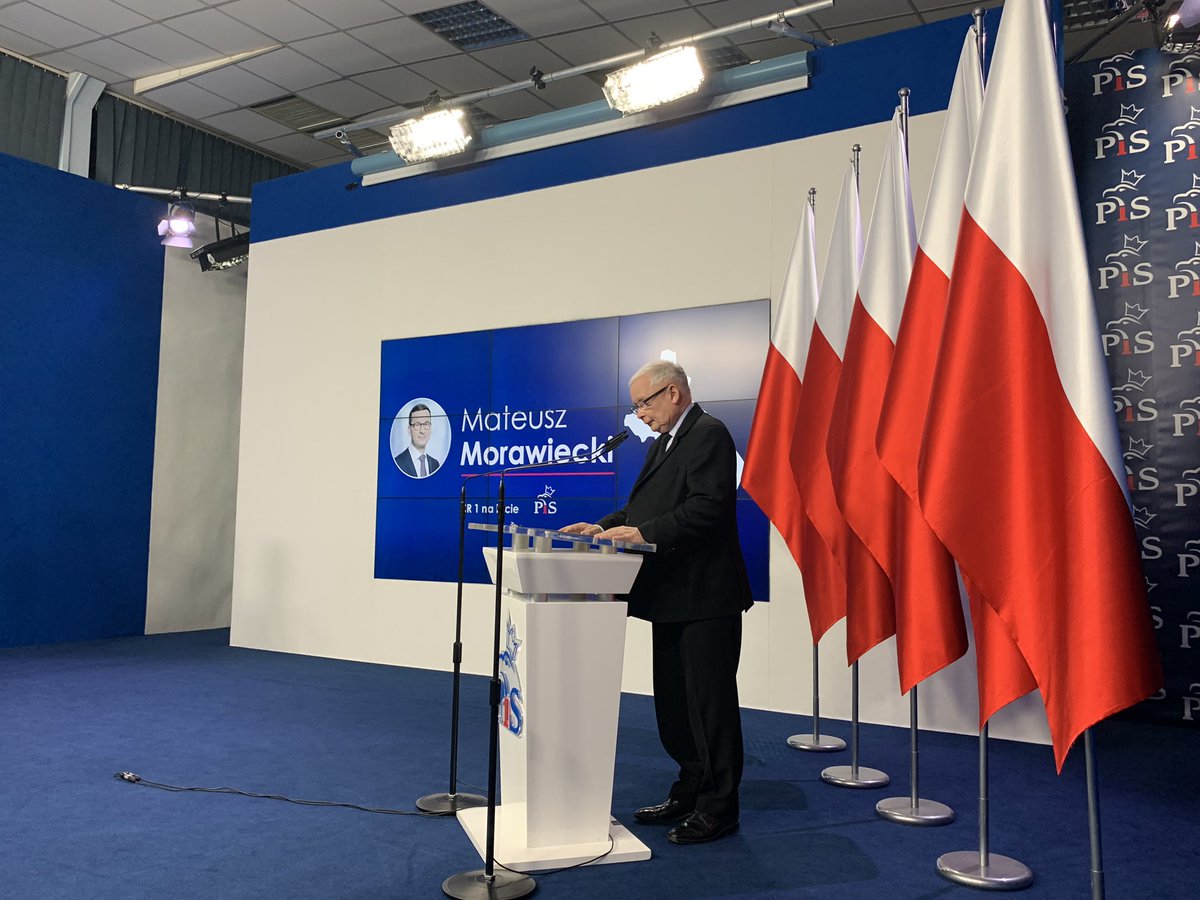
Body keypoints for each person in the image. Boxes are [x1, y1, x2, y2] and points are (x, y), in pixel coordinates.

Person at [563, 360, 752, 845]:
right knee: (674, 706)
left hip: (705, 596)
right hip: (669, 596)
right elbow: (641, 509)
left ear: (672, 393)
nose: (639, 414)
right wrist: (604, 527)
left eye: (643, 403)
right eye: (636, 406)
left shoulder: (708, 433)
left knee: (709, 706)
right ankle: (689, 790)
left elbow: (707, 508)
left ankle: (719, 808)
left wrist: (644, 533)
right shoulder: (664, 443)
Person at [395, 403, 440, 478]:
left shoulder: (435, 464)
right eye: (417, 425)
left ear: (431, 428)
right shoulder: (398, 463)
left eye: (426, 424)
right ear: (409, 430)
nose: (422, 431)